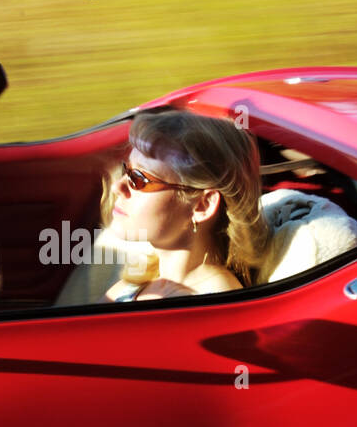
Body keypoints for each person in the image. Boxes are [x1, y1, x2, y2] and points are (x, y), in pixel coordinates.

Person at [100, 108, 270, 303]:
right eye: (126, 169)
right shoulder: (136, 283)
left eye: (139, 179)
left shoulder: (212, 302)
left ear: (202, 206)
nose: (116, 186)